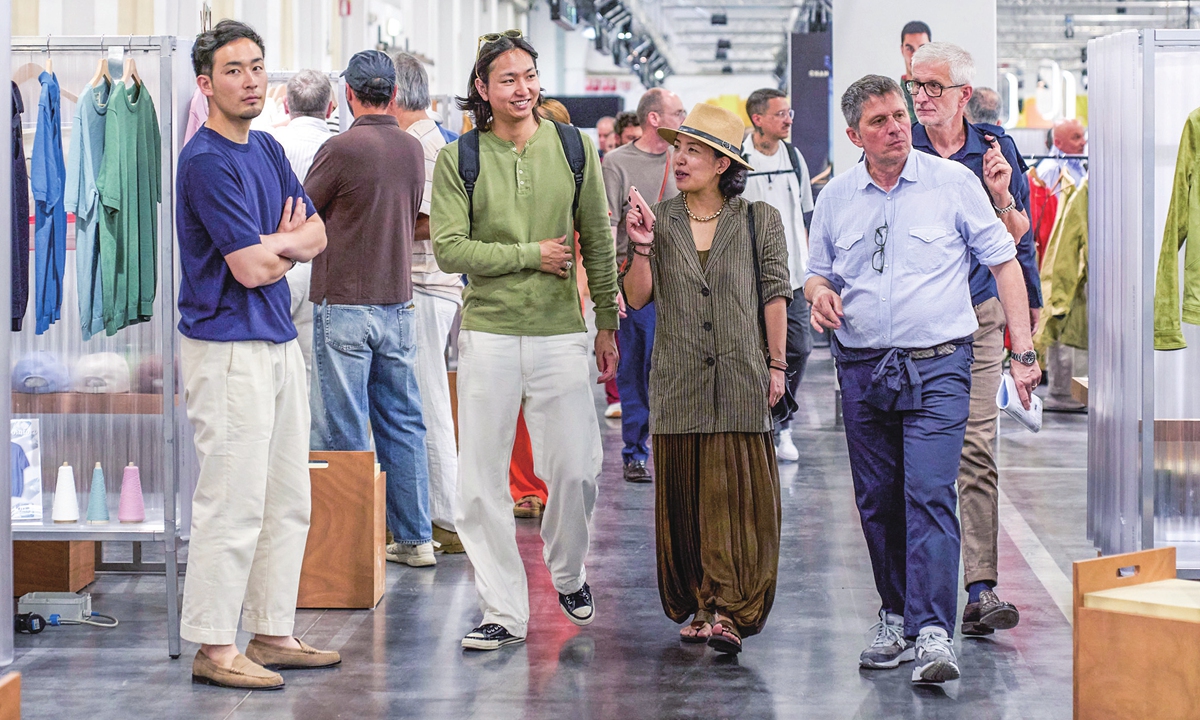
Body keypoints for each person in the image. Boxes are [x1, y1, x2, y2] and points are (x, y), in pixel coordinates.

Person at [806, 74, 1041, 684]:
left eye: (899, 115)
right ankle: (895, 616)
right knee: (877, 501)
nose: (897, 127)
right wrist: (819, 294)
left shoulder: (953, 184)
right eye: (879, 121)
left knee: (930, 493)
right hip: (861, 368)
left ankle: (935, 632)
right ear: (855, 134)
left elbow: (1005, 262)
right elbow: (817, 273)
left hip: (940, 364)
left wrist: (1023, 351)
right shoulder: (836, 198)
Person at [430, 32, 618, 651]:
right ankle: (503, 609)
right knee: (480, 482)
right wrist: (530, 255)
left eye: (530, 76)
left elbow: (596, 234)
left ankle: (567, 571)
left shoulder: (573, 147)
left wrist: (608, 322)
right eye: (508, 79)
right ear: (483, 89)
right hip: (486, 333)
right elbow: (450, 249)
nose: (524, 89)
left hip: (561, 331)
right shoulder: (460, 157)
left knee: (577, 468)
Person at [176, 19, 337, 690]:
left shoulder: (268, 149)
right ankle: (215, 647)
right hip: (226, 346)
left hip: (275, 340)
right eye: (234, 69)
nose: (249, 79)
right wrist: (282, 244)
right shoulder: (205, 160)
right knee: (232, 500)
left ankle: (270, 633)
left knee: (285, 498)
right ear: (205, 83)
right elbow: (247, 269)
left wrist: (280, 245)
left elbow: (319, 234)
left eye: (257, 67)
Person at [621, 103, 788, 655]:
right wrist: (640, 246)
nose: (681, 158)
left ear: (723, 164)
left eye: (693, 150)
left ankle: (732, 609)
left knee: (737, 497)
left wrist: (778, 364)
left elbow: (774, 294)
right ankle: (699, 602)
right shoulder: (663, 219)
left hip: (741, 375)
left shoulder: (759, 219)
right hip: (678, 376)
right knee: (688, 495)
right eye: (679, 148)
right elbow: (638, 296)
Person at [908, 42, 1043, 638]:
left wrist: (1028, 316)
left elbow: (1019, 235)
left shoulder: (994, 147)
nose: (921, 97)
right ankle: (910, 595)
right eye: (915, 85)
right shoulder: (899, 146)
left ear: (964, 95)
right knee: (915, 463)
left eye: (933, 86)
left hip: (982, 311)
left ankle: (982, 588)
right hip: (913, 321)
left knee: (976, 448)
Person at [304, 50, 435, 567]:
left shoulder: (339, 148)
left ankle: (358, 545)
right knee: (403, 421)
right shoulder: (411, 149)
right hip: (398, 301)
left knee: (345, 424)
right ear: (395, 95)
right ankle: (414, 537)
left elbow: (299, 209)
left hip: (345, 303)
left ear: (349, 95)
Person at [389, 50, 465, 555]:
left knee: (429, 403)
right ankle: (435, 514)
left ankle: (447, 518)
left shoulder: (423, 146)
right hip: (428, 287)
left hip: (427, 286)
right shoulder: (427, 140)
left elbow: (434, 221)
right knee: (423, 401)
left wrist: (375, 222)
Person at [602, 87, 685, 484]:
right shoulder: (617, 163)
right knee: (635, 369)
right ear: (655, 118)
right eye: (678, 113)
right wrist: (607, 286)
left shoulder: (682, 161)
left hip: (678, 279)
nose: (684, 120)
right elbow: (604, 228)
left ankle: (673, 447)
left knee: (674, 369)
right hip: (633, 273)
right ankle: (635, 451)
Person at [741, 88, 814, 464]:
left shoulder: (794, 157)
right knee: (754, 352)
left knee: (799, 348)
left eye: (790, 112)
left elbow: (804, 213)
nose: (788, 119)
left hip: (793, 278)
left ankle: (781, 420)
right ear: (758, 119)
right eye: (780, 113)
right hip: (749, 277)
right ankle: (759, 424)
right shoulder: (739, 158)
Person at [271, 69, 334, 390]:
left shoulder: (268, 143)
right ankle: (305, 441)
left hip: (276, 268)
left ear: (285, 105)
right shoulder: (339, 147)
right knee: (312, 376)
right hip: (323, 271)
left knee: (271, 368)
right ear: (331, 107)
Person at [1035, 118, 1087, 188]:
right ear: (1058, 143)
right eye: (1076, 137)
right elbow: (1055, 199)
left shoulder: (1076, 164)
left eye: (1083, 136)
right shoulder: (1052, 170)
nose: (1083, 142)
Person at [899, 21, 932, 123]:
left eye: (922, 48)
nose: (915, 56)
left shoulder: (943, 93)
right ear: (902, 50)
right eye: (910, 48)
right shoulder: (894, 100)